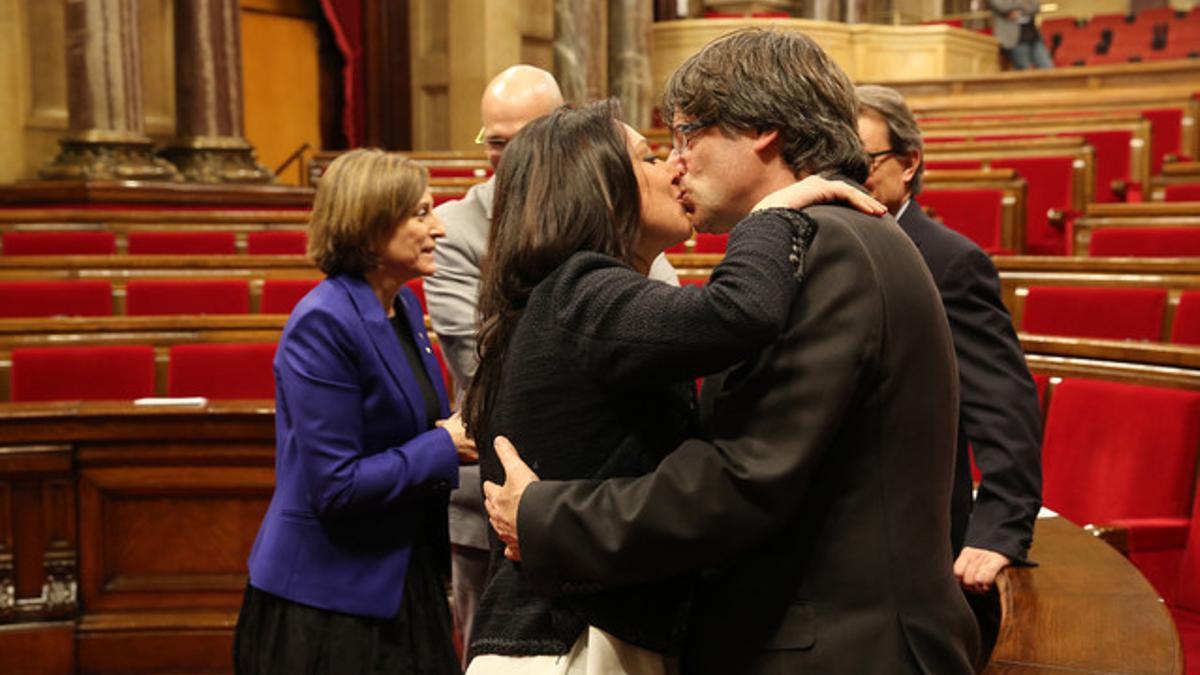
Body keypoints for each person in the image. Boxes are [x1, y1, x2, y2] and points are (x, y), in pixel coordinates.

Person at [483, 28, 980, 674]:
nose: (676, 162)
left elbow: (744, 478)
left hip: (839, 650)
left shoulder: (823, 245)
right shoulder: (836, 238)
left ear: (762, 131)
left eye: (688, 133)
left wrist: (545, 515)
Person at [460, 100, 884, 674]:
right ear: (604, 188)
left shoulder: (566, 296)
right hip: (567, 646)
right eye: (650, 156)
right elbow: (738, 313)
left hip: (583, 633)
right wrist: (770, 214)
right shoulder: (582, 290)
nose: (675, 169)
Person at [425, 64, 679, 661]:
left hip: (618, 543)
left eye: (530, 136)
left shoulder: (611, 267)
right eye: (496, 143)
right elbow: (477, 352)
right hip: (521, 516)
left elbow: (662, 323)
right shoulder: (469, 233)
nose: (512, 156)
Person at [234, 149, 476, 675]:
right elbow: (335, 485)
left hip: (399, 579)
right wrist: (443, 445)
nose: (439, 228)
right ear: (369, 228)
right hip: (328, 604)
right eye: (421, 213)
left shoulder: (403, 306)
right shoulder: (322, 323)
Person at [856, 83, 1043, 668]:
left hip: (921, 541)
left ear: (908, 163)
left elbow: (1002, 402)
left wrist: (1000, 528)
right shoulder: (817, 241)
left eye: (859, 160)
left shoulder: (948, 260)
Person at [989, 0, 1053, 70]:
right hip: (1015, 40)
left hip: (1033, 36)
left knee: (1047, 67)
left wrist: (1017, 6)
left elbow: (1035, 7)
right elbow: (1003, 6)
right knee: (1025, 71)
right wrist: (1024, 3)